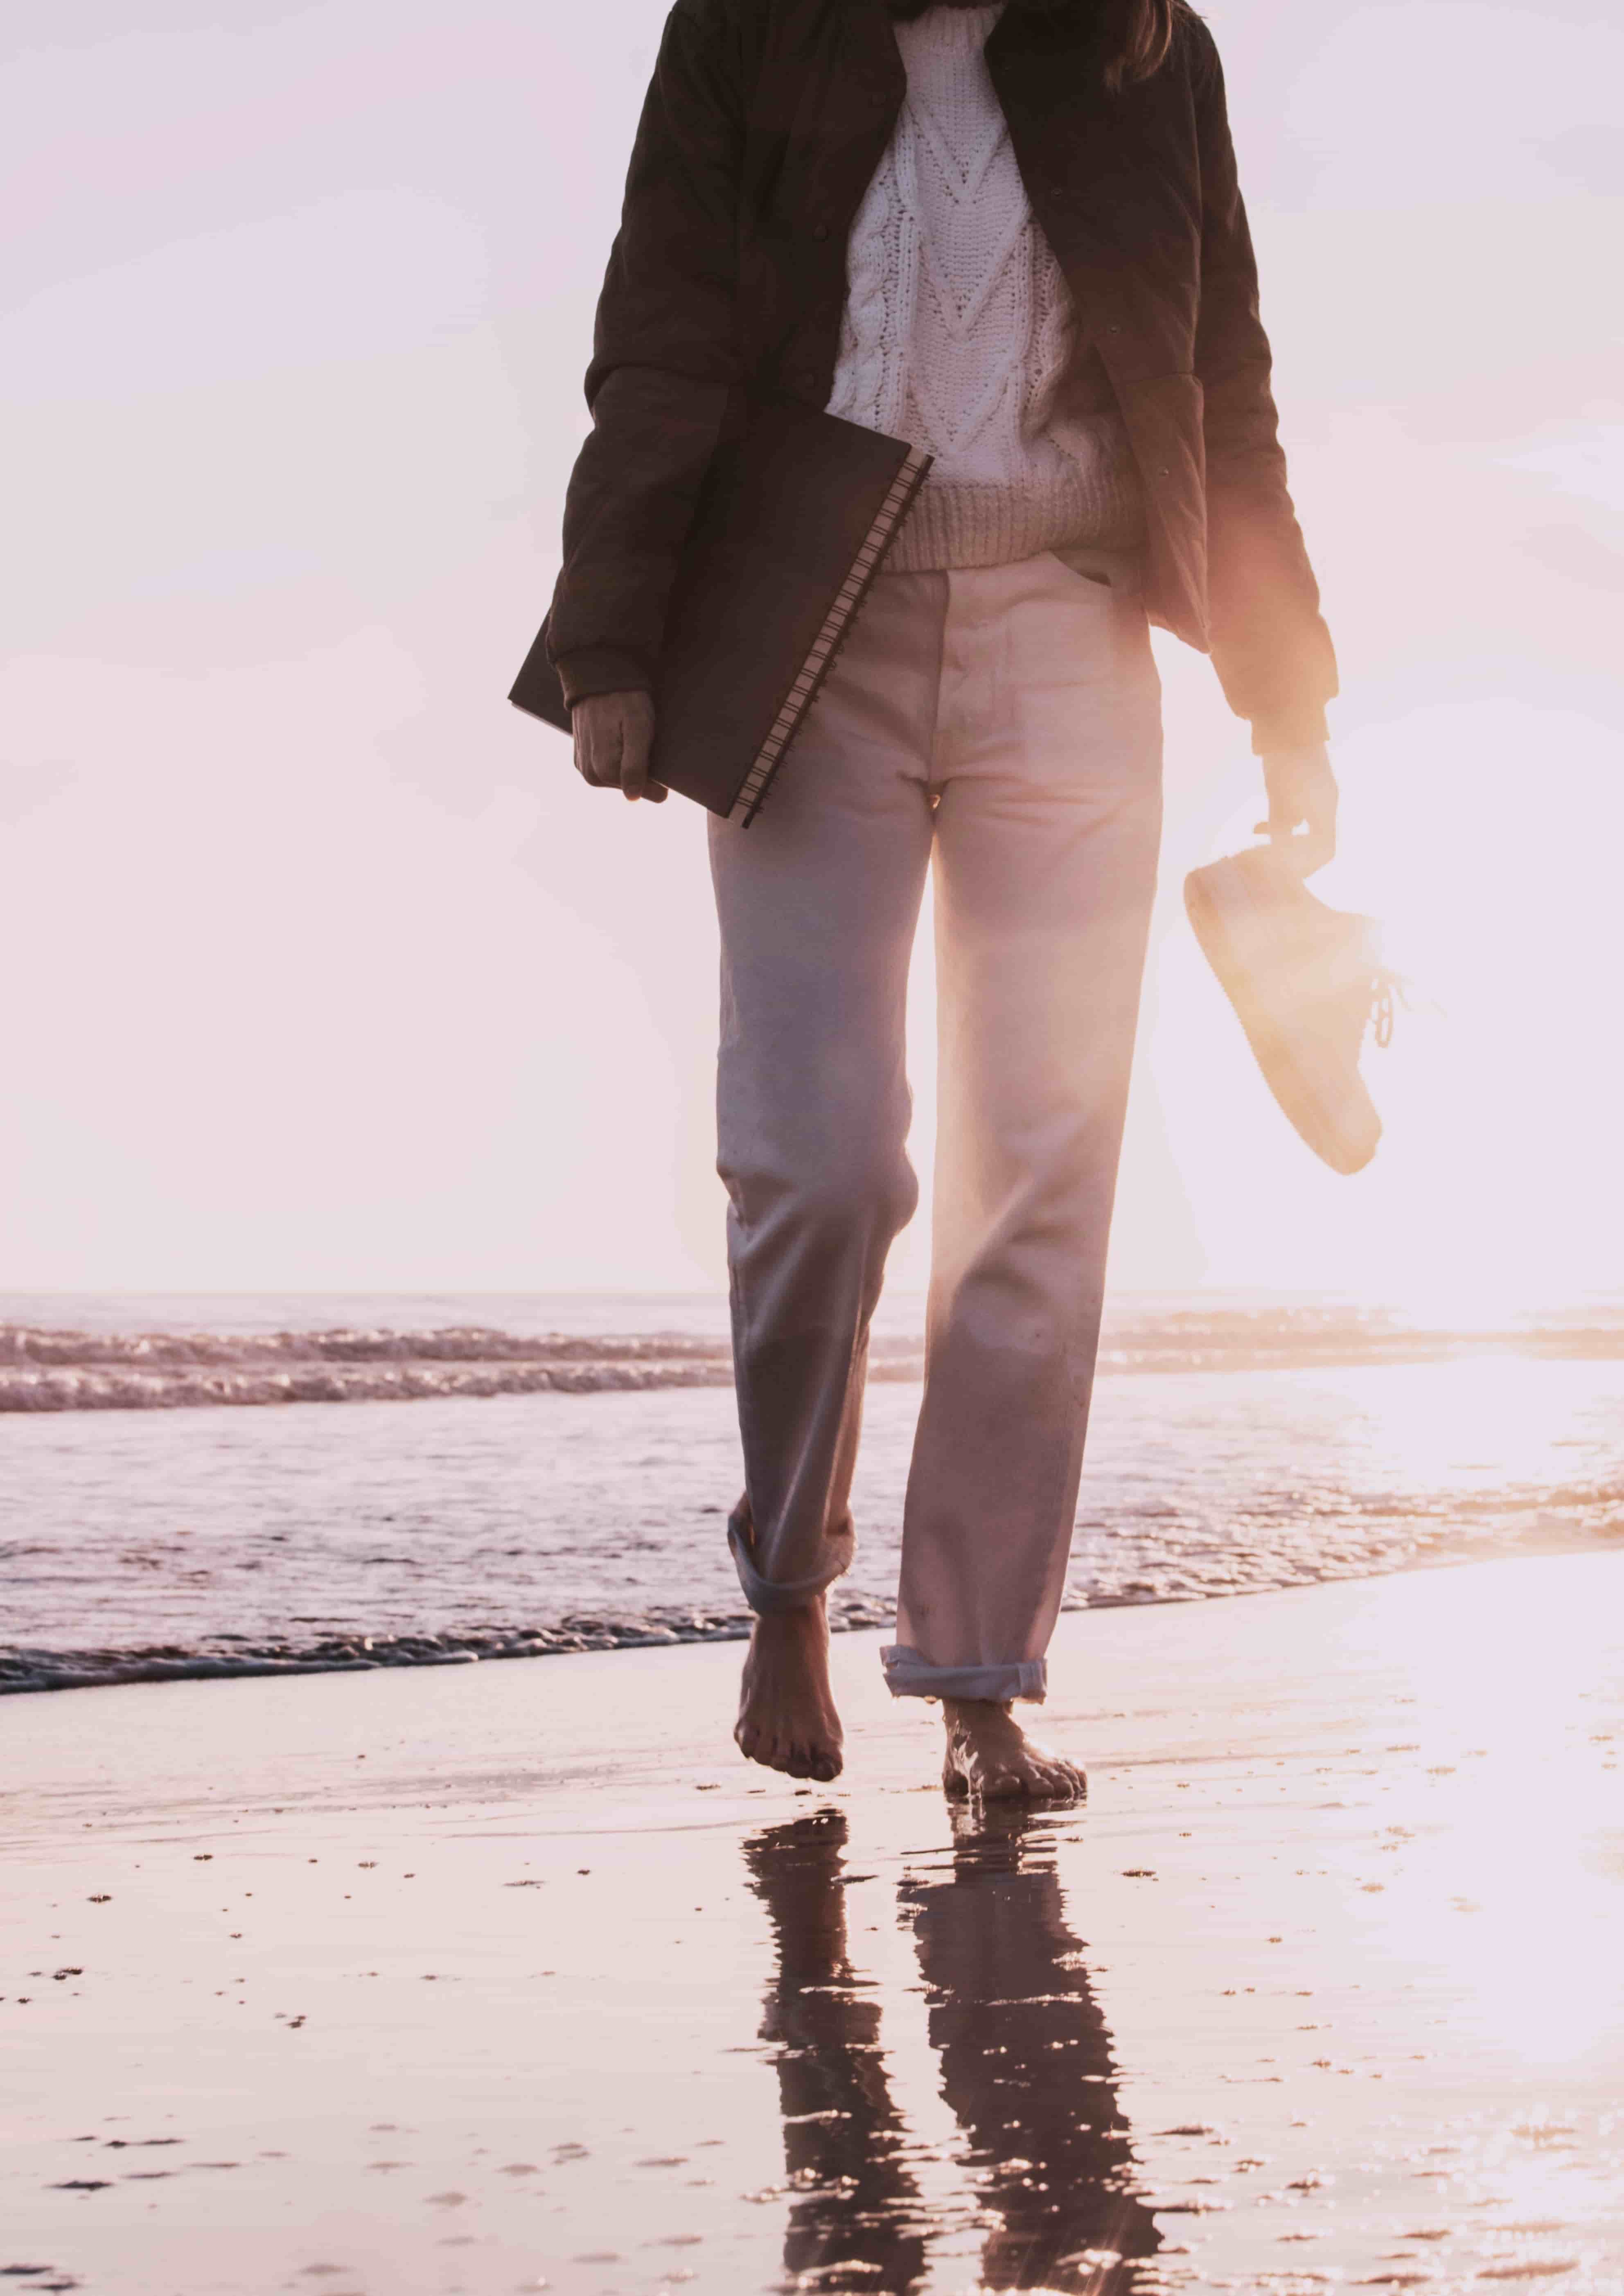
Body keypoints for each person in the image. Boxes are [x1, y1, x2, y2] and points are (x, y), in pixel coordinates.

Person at [545, 0, 1338, 1796]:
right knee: (811, 1158)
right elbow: (659, 329)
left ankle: (981, 1677)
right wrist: (613, 629)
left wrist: (1285, 692)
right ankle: (786, 1583)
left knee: (1040, 1168)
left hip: (1069, 636)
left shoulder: (1147, 49)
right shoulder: (753, 29)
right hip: (801, 625)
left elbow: (1223, 383)